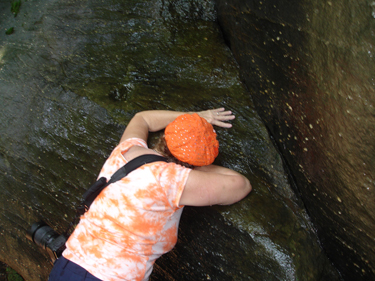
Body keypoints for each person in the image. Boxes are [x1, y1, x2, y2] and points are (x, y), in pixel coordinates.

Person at [48, 108, 252, 281]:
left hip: (68, 265)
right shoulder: (172, 179)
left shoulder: (126, 151)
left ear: (165, 136)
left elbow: (142, 119)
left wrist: (195, 115)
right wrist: (189, 168)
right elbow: (241, 185)